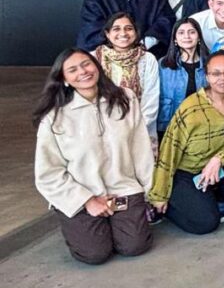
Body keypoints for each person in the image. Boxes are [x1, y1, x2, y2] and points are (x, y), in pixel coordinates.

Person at [33, 48, 154, 265]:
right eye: (72, 69)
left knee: (134, 246)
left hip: (123, 189)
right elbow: (48, 173)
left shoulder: (125, 98)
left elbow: (140, 149)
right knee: (95, 254)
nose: (83, 72)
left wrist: (149, 190)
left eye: (86, 64)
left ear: (97, 66)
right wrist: (87, 200)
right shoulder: (54, 116)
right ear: (65, 79)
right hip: (81, 196)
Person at [148, 50, 224, 234]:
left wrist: (219, 159)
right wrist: (159, 195)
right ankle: (180, 203)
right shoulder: (191, 108)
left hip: (216, 169)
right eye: (215, 73)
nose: (222, 78)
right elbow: (169, 151)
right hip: (186, 173)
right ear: (206, 76)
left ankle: (209, 198)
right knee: (206, 223)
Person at [94, 12, 160, 150]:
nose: (123, 33)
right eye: (116, 29)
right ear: (107, 33)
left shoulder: (147, 59)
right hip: (101, 130)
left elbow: (151, 98)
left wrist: (132, 130)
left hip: (139, 130)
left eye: (129, 28)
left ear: (136, 32)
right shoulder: (94, 58)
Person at [158, 18, 209, 134]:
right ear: (175, 39)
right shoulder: (163, 65)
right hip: (169, 126)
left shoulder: (210, 64)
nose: (187, 36)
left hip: (202, 126)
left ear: (199, 37)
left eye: (192, 32)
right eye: (181, 32)